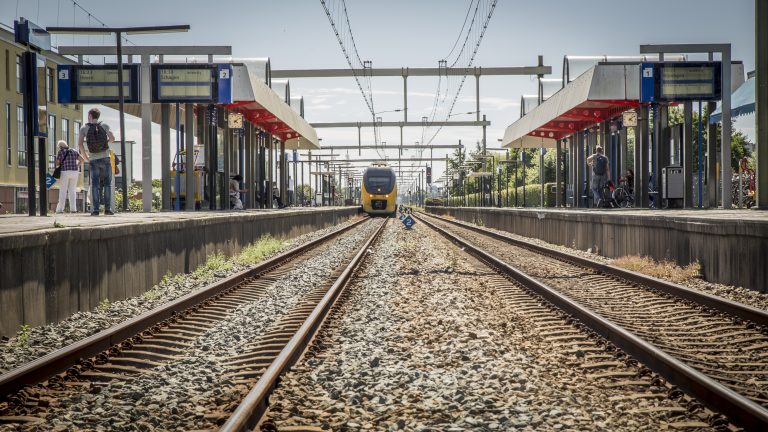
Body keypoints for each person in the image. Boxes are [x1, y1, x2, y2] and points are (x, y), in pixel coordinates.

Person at [78, 108, 115, 216]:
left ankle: (95, 210)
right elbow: (112, 138)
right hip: (105, 158)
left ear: (90, 115)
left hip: (93, 159)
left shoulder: (84, 128)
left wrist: (86, 157)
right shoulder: (104, 125)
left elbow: (80, 144)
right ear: (98, 116)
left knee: (95, 185)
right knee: (107, 184)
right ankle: (108, 210)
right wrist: (105, 142)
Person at [54, 140, 82, 214]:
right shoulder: (74, 151)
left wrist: (58, 165)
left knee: (63, 191)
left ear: (60, 146)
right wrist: (77, 166)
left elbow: (57, 163)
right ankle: (73, 209)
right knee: (72, 191)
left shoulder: (61, 152)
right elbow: (82, 160)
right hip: (75, 172)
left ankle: (60, 209)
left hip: (65, 172)